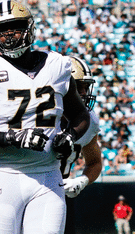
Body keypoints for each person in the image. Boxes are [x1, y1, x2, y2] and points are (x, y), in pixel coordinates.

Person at [0, 0, 90, 233]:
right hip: (3, 175)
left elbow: (80, 114)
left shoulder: (57, 66)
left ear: (30, 27)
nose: (8, 34)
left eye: (15, 27)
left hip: (48, 176)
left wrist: (70, 136)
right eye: (1, 30)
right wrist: (13, 137)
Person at [61, 56, 103, 234]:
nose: (84, 93)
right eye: (79, 87)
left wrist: (82, 180)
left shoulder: (90, 120)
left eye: (86, 87)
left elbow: (94, 161)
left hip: (59, 192)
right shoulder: (34, 116)